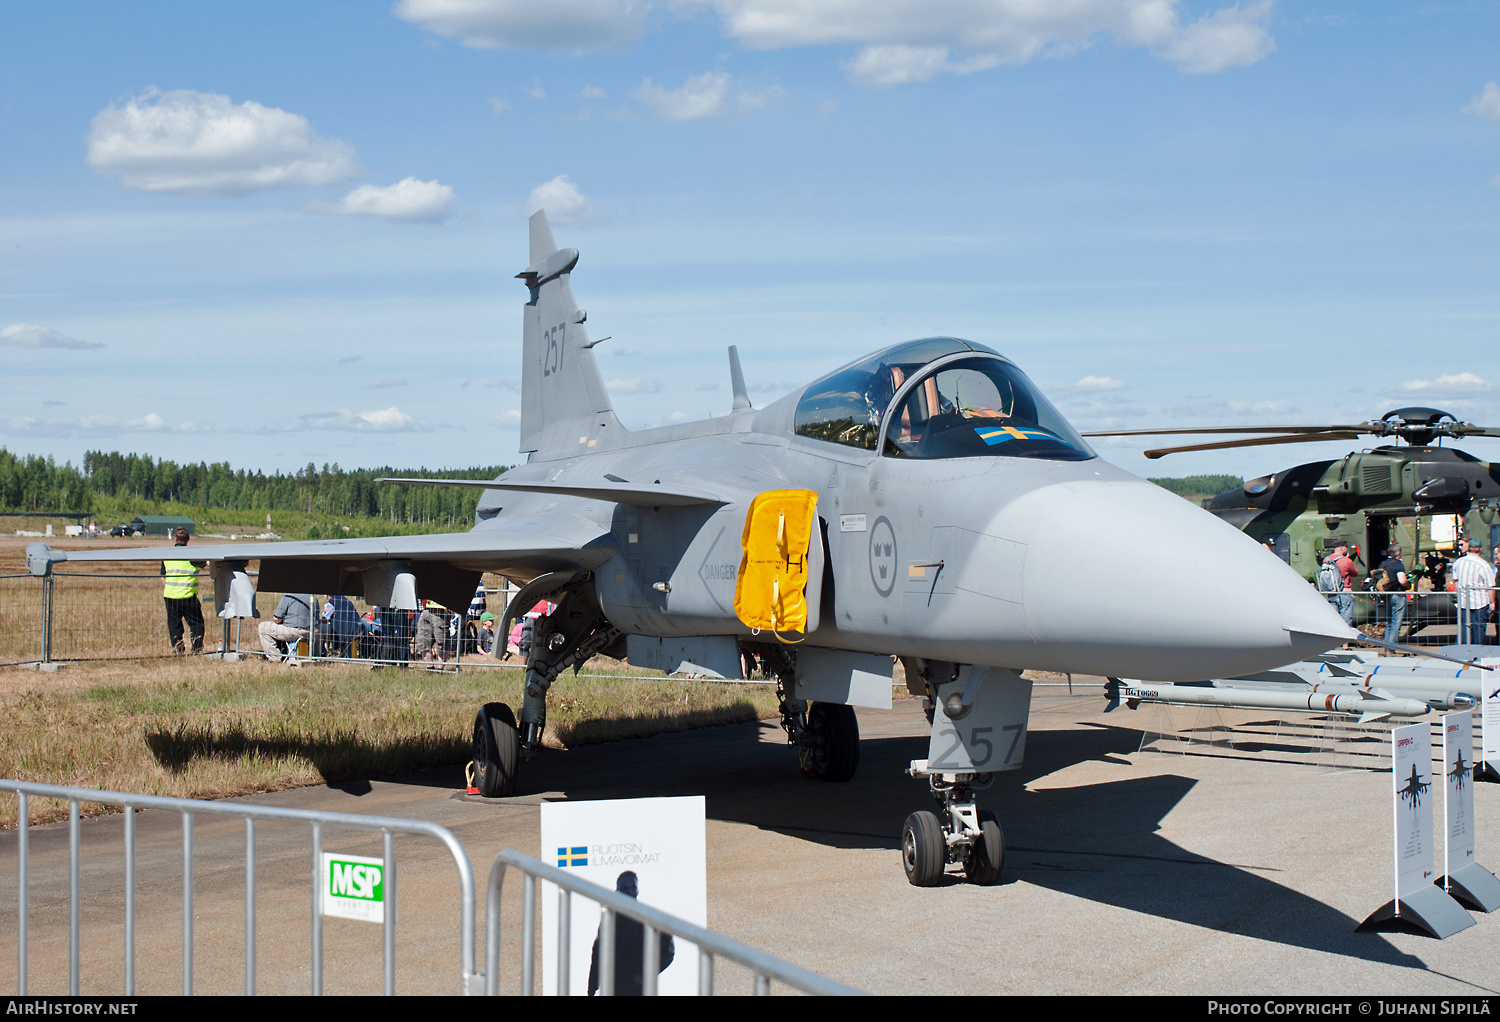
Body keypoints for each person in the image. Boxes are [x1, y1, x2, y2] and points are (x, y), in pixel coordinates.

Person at [587, 871, 674, 996]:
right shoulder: (610, 919)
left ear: (637, 890)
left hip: (639, 988)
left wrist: (644, 975)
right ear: (618, 891)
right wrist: (591, 988)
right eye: (625, 888)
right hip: (614, 987)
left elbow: (668, 951)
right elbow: (598, 953)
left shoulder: (648, 917)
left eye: (632, 887)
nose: (629, 891)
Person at [161, 526, 206, 654]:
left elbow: (162, 576)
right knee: (196, 624)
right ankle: (196, 649)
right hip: (188, 596)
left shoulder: (167, 555)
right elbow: (206, 563)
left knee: (174, 625)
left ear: (175, 539)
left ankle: (178, 649)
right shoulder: (192, 555)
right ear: (188, 540)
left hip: (170, 596)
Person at [1452, 537, 1496, 646]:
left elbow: (1455, 580)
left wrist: (1460, 593)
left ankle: (1463, 652)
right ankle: (1477, 653)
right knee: (1479, 629)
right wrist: (1492, 602)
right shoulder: (1483, 565)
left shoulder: (1459, 562)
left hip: (1464, 602)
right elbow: (1490, 586)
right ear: (1480, 549)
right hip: (1480, 602)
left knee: (1464, 628)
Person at [258, 592, 312, 663]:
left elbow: (277, 619)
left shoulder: (289, 596)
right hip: (312, 631)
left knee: (263, 627)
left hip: (294, 631)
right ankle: (317, 655)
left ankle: (274, 658)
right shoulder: (312, 596)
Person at [1318, 540, 1357, 626]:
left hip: (1331, 591)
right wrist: (1348, 559)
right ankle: (1345, 637)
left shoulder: (1326, 560)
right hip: (1344, 591)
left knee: (1333, 617)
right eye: (1346, 547)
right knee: (1346, 618)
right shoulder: (1346, 561)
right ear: (1342, 548)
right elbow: (1355, 573)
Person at [1377, 545, 1409, 645]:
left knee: (1389, 623)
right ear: (1398, 554)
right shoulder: (1398, 565)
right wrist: (1408, 585)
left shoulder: (1383, 564)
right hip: (1397, 594)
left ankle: (1387, 647)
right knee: (1396, 623)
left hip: (1386, 595)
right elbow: (1402, 580)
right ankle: (1391, 648)